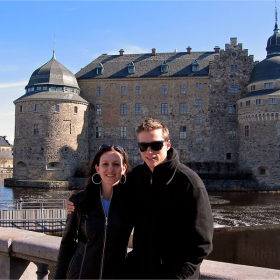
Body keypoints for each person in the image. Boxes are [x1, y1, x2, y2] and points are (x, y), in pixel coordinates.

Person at [66, 118, 213, 279]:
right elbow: (110, 189)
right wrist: (78, 199)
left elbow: (201, 244)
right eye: (144, 146)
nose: (149, 151)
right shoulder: (137, 177)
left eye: (156, 145)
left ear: (168, 144)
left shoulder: (189, 183)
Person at [54, 144, 132, 279]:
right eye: (105, 164)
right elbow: (67, 244)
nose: (110, 169)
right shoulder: (80, 200)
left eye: (116, 164)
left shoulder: (131, 203)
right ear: (97, 168)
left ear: (124, 168)